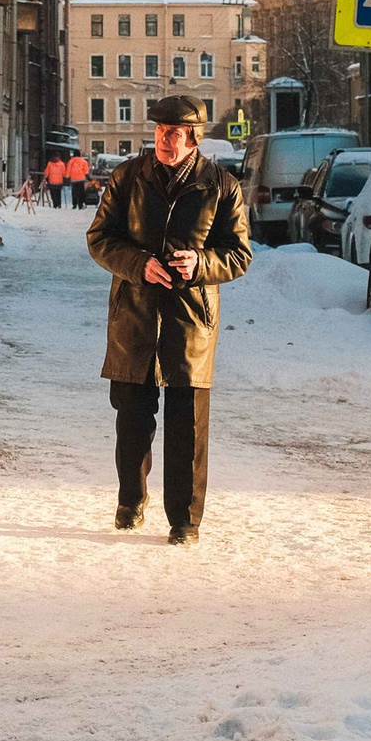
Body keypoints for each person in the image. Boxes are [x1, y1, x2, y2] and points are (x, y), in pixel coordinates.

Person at [84, 94, 251, 544]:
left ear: (194, 138)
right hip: (134, 315)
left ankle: (185, 521)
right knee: (132, 419)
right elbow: (100, 238)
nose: (164, 140)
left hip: (191, 320)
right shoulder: (127, 177)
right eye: (159, 131)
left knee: (187, 426)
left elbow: (239, 255)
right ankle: (130, 501)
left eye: (174, 133)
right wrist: (138, 264)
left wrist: (199, 264)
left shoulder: (222, 186)